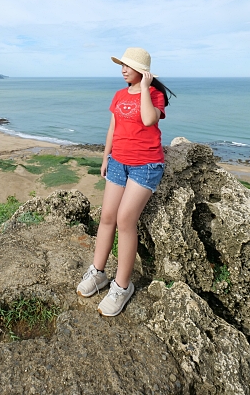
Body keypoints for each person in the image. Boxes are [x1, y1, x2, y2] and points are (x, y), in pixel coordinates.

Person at [77, 47, 175, 316]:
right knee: (107, 216)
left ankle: (122, 286)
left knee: (124, 220)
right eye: (121, 65)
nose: (122, 69)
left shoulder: (154, 94)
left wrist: (145, 87)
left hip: (146, 166)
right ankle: (98, 273)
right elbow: (113, 128)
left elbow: (147, 119)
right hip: (118, 163)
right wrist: (105, 156)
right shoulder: (119, 95)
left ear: (142, 71)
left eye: (127, 66)